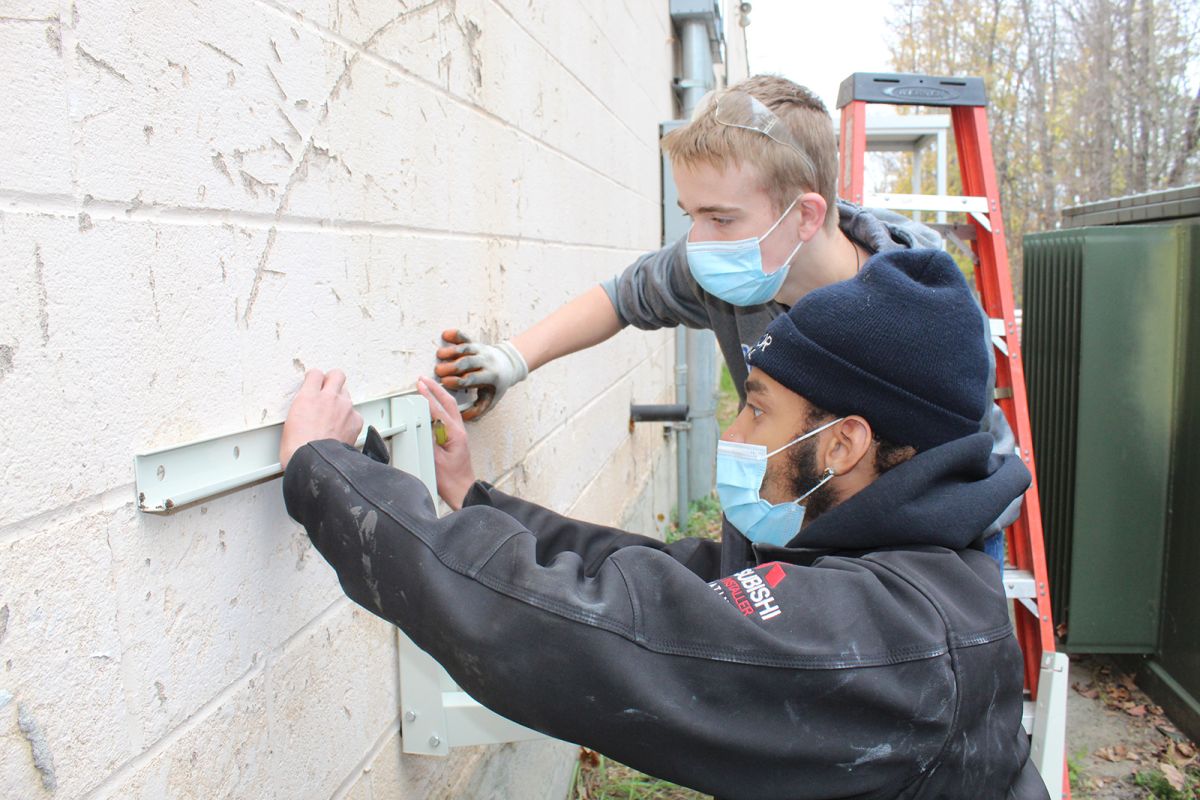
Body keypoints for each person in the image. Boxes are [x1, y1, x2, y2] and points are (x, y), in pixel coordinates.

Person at [278, 249, 1049, 799]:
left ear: (843, 442)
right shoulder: (894, 563)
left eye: (755, 407)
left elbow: (595, 633)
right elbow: (683, 583)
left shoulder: (895, 644)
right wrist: (478, 501)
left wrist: (328, 474)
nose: (734, 434)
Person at [432, 75, 1018, 570]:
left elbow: (954, 473)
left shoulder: (919, 306)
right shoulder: (730, 268)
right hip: (788, 507)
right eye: (692, 216)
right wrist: (513, 358)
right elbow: (619, 298)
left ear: (806, 215)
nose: (698, 242)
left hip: (924, 546)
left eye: (720, 218)